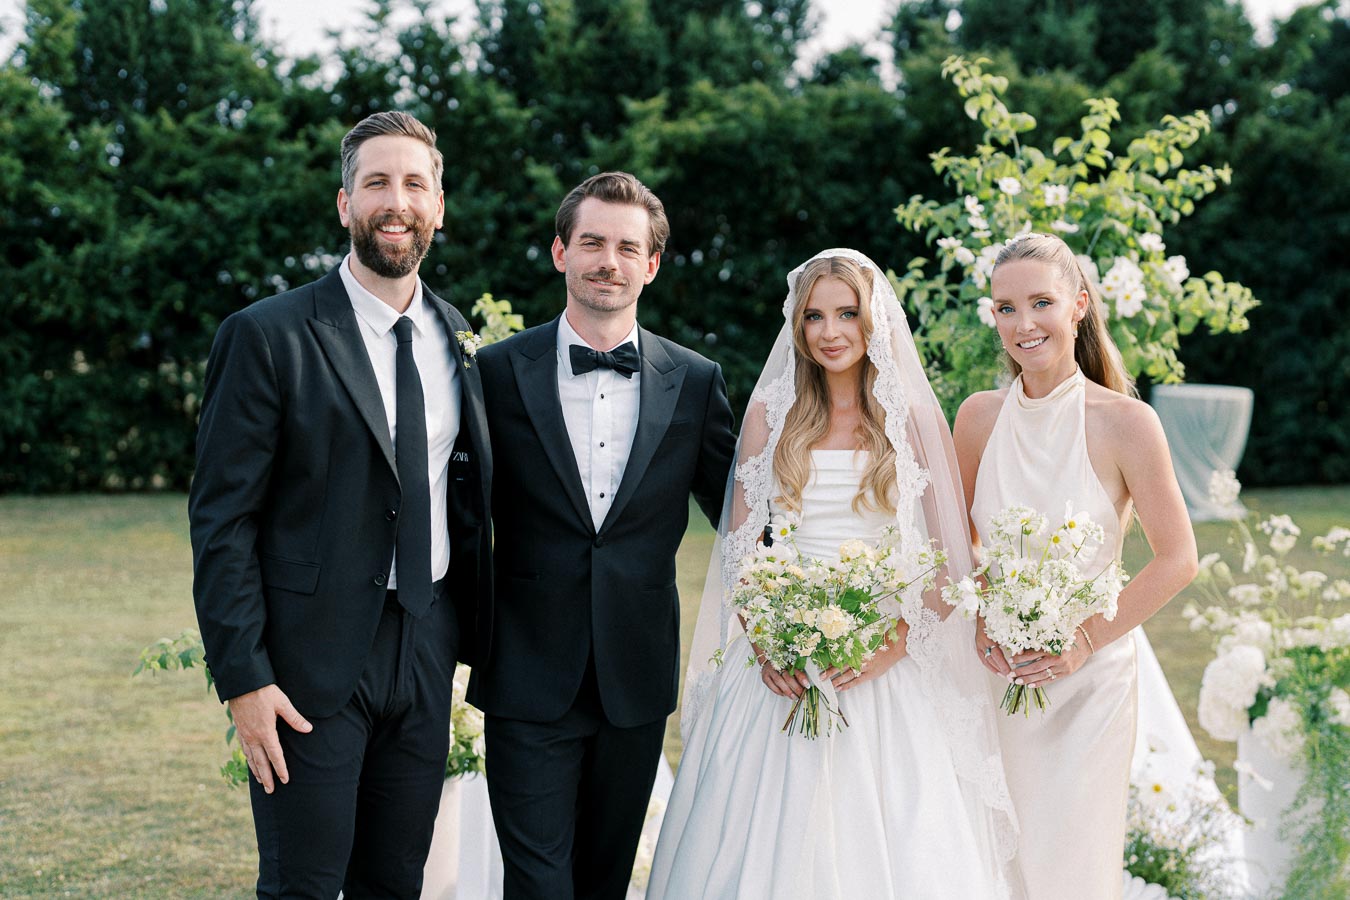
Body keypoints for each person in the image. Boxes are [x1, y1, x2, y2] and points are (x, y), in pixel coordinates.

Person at [648, 249, 1025, 899]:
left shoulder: (911, 422)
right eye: (814, 316)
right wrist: (770, 641)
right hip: (783, 659)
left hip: (885, 663)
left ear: (873, 319)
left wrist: (896, 643)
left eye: (846, 314)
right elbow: (742, 549)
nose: (829, 332)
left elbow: (948, 559)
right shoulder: (774, 416)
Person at [188, 111, 492, 898]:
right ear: (344, 203)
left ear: (439, 206)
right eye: (377, 183)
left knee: (396, 881)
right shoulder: (267, 335)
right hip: (305, 665)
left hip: (423, 653)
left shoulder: (455, 335)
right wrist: (244, 681)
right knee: (302, 885)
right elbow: (223, 521)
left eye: (414, 184)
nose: (398, 201)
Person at [467, 171, 736, 899]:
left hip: (636, 675)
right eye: (590, 242)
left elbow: (744, 516)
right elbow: (457, 513)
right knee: (538, 881)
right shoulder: (493, 372)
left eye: (626, 247)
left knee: (604, 881)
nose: (607, 261)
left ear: (650, 265)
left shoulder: (696, 379)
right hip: (524, 670)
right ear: (560, 252)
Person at [954, 232, 1198, 898]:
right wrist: (981, 619)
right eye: (1005, 308)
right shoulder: (978, 417)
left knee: (1072, 865)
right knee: (993, 857)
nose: (1023, 323)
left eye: (1041, 302)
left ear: (1080, 305)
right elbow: (958, 541)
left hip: (1090, 680)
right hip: (995, 675)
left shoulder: (1126, 422)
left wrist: (1083, 640)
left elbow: (1178, 559)